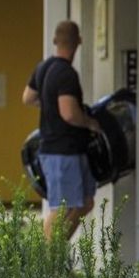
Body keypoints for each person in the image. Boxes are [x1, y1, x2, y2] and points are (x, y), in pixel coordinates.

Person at [22, 20, 102, 240]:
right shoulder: (66, 74)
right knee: (61, 209)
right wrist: (89, 123)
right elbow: (68, 113)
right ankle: (42, 262)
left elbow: (27, 98)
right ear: (79, 42)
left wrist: (47, 106)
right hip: (63, 152)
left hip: (61, 150)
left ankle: (55, 252)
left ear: (55, 41)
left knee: (85, 202)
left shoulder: (43, 68)